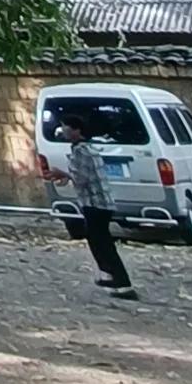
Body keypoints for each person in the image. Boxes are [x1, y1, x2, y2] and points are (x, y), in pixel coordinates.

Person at [60, 112, 140, 299]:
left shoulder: (81, 151)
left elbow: (81, 178)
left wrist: (61, 173)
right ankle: (109, 275)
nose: (63, 130)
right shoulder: (88, 149)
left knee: (103, 244)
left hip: (95, 204)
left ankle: (123, 283)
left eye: (66, 126)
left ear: (76, 130)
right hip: (100, 203)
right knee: (97, 241)